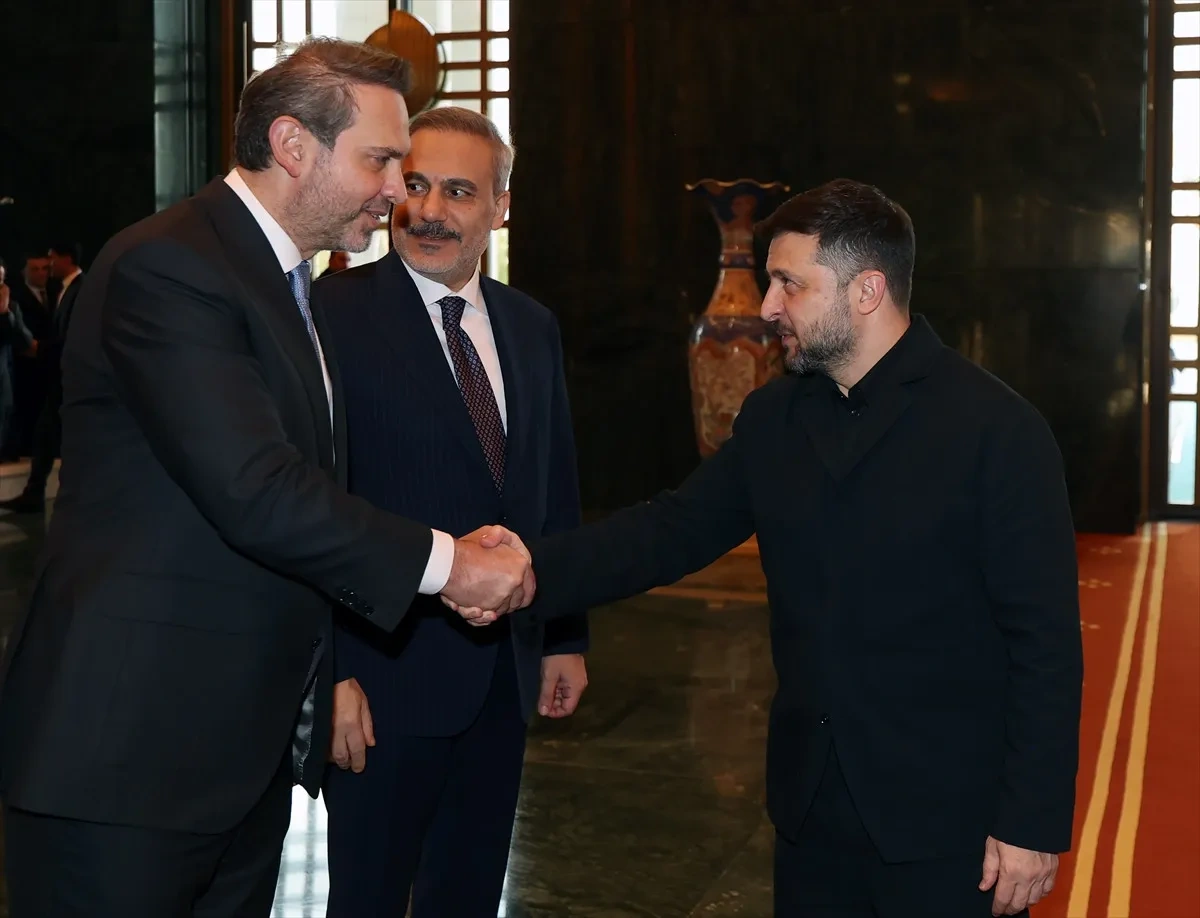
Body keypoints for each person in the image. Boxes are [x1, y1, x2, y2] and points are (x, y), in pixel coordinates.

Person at [0, 38, 531, 918]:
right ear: (292, 146)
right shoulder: (171, 265)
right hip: (127, 761)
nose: (397, 192)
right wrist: (450, 564)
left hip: (237, 763)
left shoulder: (283, 281)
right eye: (381, 161)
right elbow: (257, 489)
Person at [465, 179, 1084, 917]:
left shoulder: (997, 432)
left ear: (867, 291)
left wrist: (1030, 824)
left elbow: (1044, 644)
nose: (767, 307)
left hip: (948, 823)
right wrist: (529, 570)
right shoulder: (775, 418)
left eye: (790, 284)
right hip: (809, 810)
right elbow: (670, 531)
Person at [313, 106, 590, 918]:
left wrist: (564, 637)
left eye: (459, 191)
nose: (429, 209)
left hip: (502, 680)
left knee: (467, 895)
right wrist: (330, 672)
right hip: (380, 682)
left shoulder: (532, 327)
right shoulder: (330, 315)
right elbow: (309, 507)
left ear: (501, 207)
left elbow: (553, 487)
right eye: (416, 184)